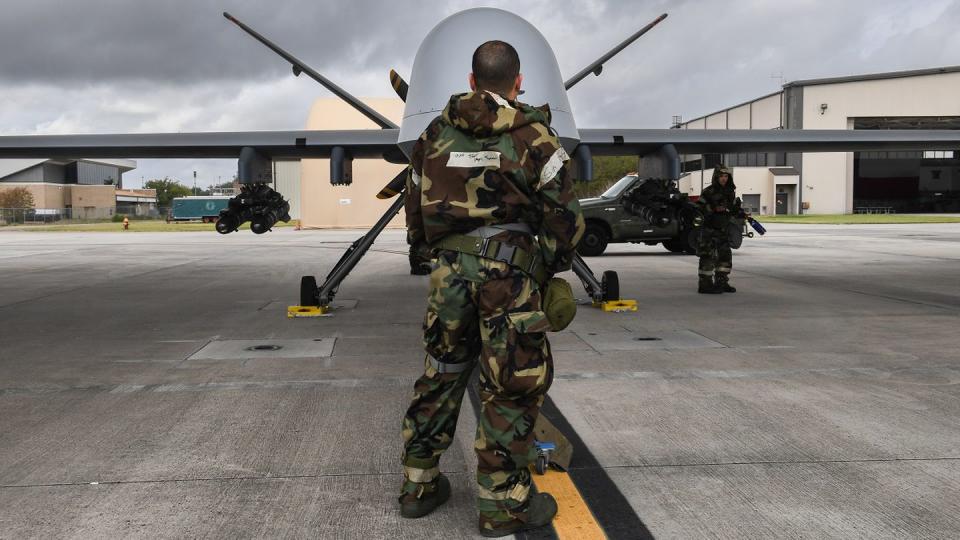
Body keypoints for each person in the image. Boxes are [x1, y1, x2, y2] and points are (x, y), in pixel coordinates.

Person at [399, 40, 584, 537]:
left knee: (440, 375)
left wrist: (435, 256)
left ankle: (418, 486)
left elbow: (413, 214)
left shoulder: (433, 134)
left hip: (448, 277)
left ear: (471, 79)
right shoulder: (536, 138)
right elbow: (566, 220)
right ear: (518, 82)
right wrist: (540, 269)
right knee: (511, 386)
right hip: (509, 281)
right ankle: (502, 505)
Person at [695, 164, 746, 293]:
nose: (724, 179)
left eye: (726, 176)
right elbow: (699, 209)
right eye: (721, 176)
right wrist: (713, 209)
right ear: (716, 177)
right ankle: (705, 285)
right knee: (708, 257)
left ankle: (722, 282)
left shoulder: (730, 192)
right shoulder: (708, 192)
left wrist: (738, 212)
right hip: (709, 230)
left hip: (723, 229)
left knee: (725, 256)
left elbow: (732, 209)